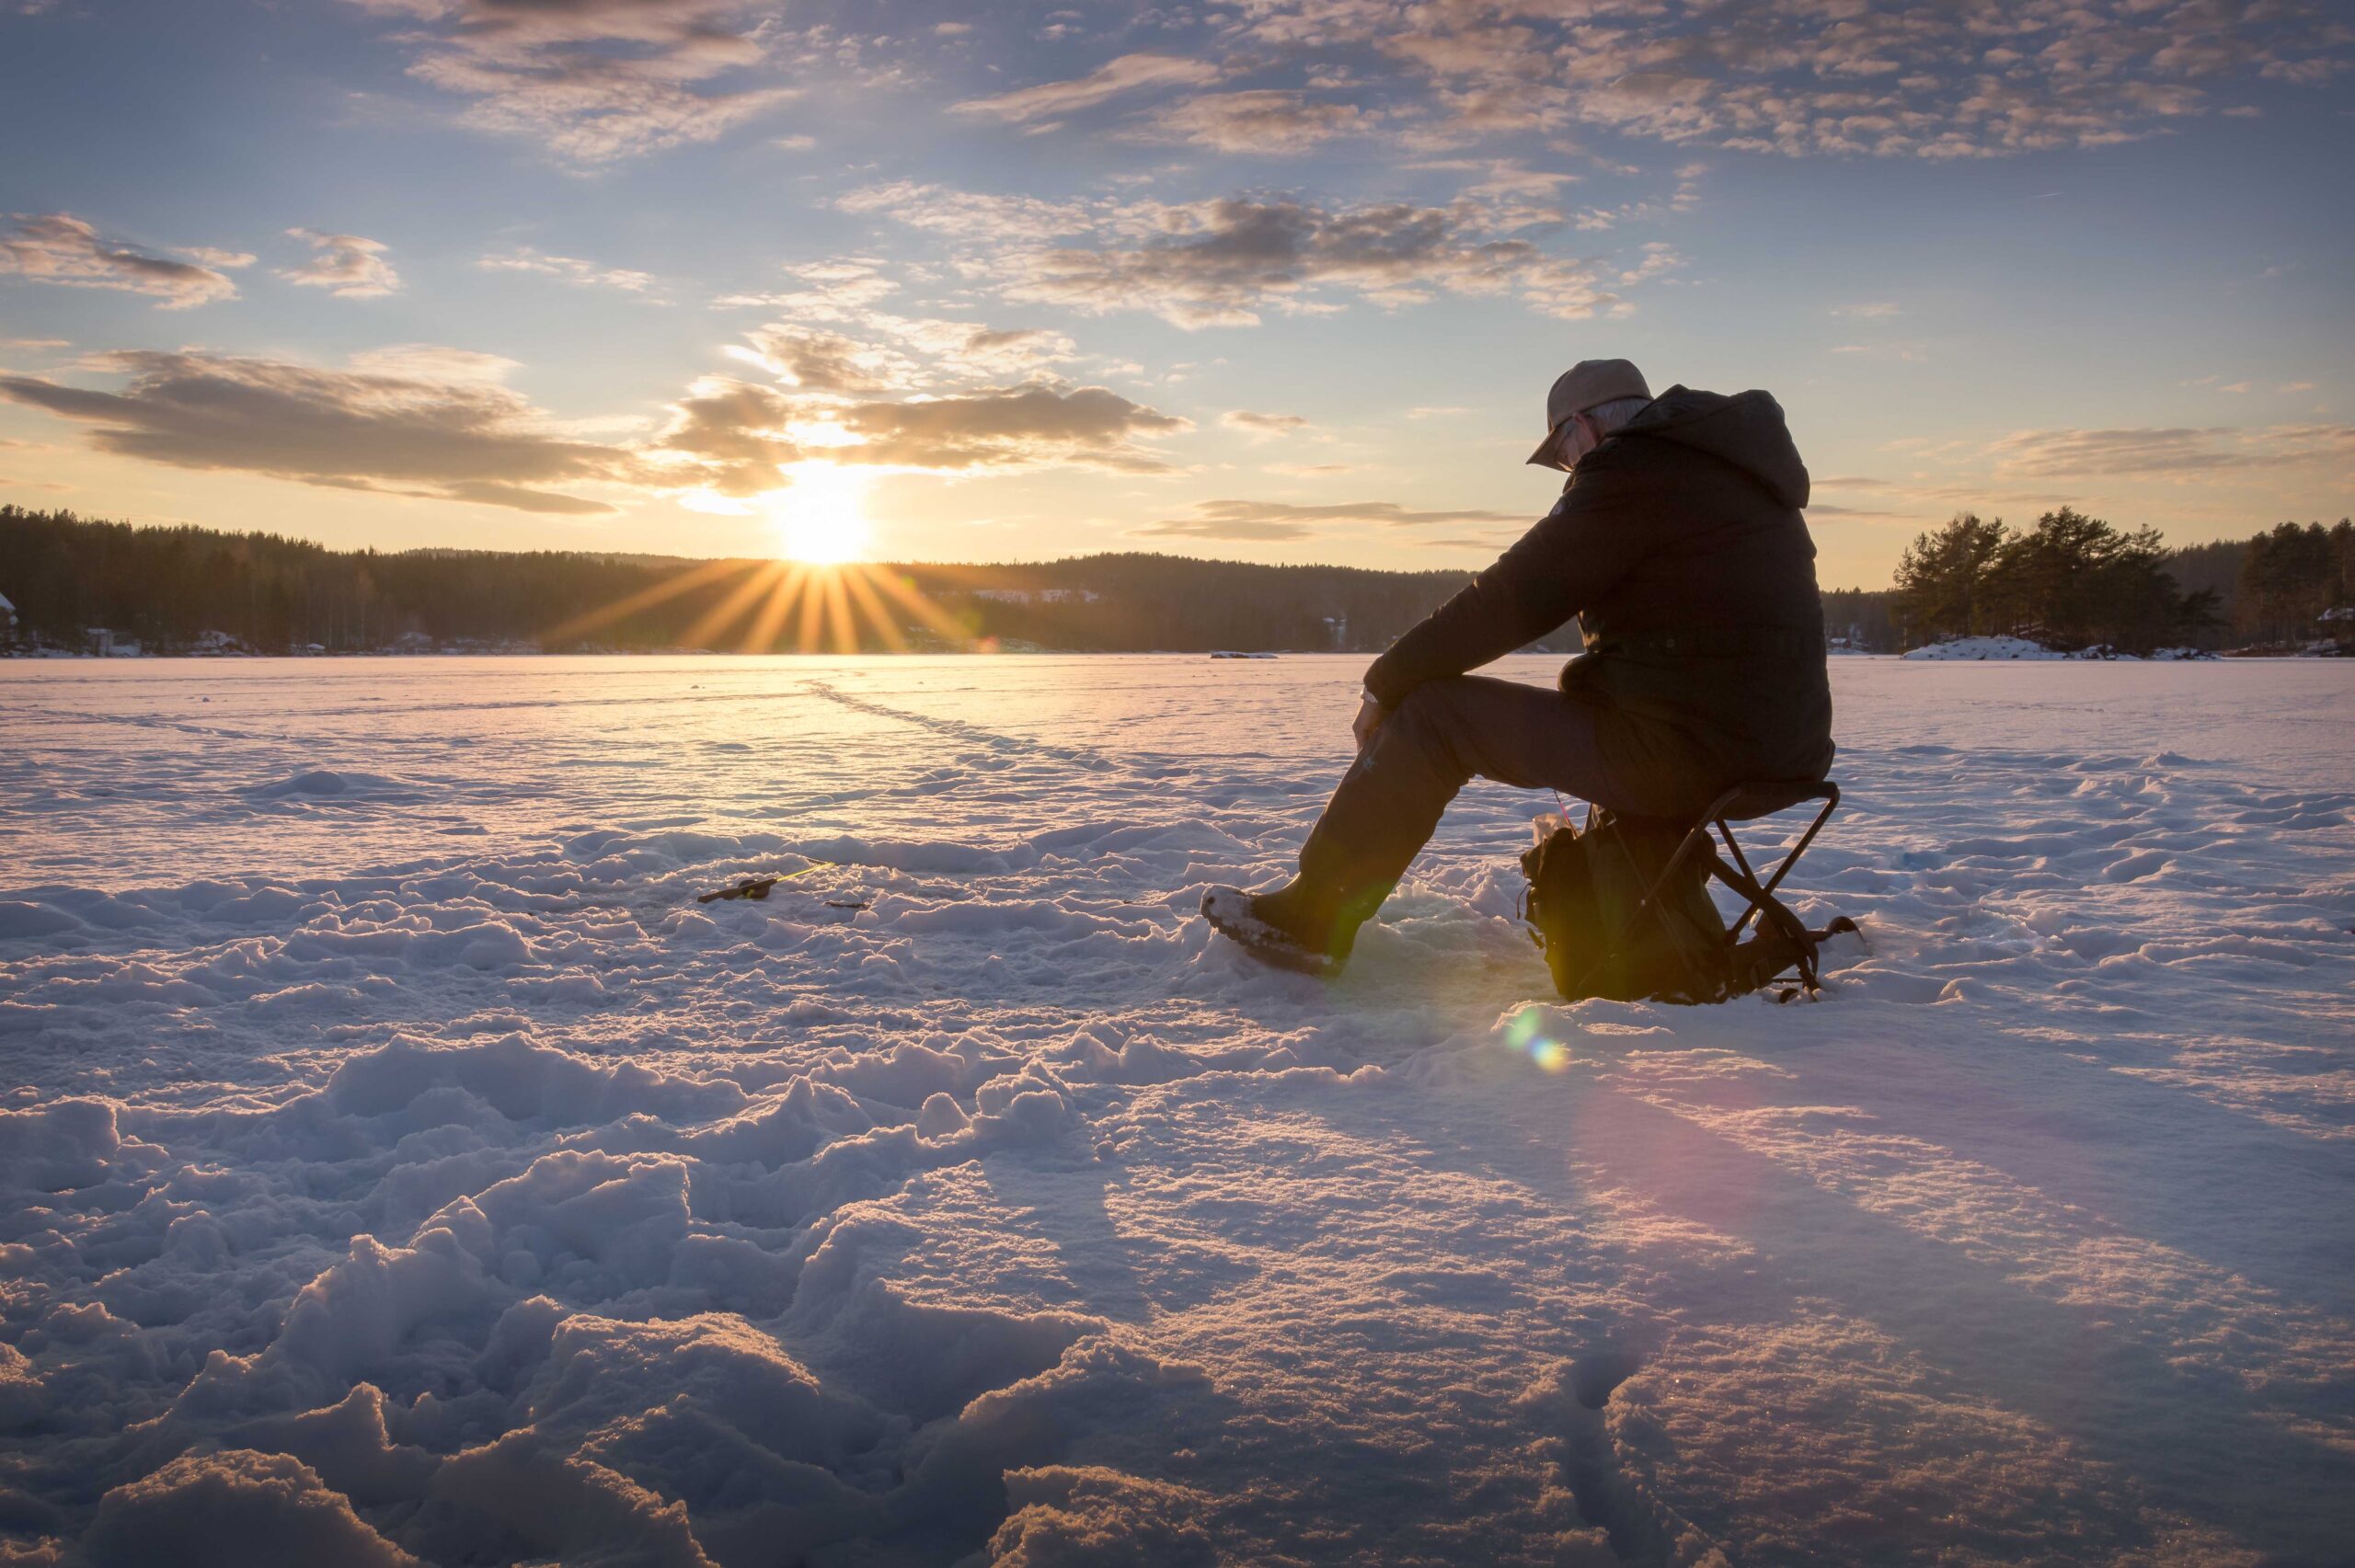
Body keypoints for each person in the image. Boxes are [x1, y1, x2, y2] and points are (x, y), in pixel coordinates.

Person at [1201, 358, 1834, 973]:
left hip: (1690, 752)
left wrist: (1386, 683)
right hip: (1783, 752)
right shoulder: (1733, 475)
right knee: (1591, 725)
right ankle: (1645, 940)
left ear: (1581, 428)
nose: (1566, 468)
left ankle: (1312, 919)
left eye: (1562, 453)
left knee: (1437, 716)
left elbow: (1508, 599)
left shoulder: (1633, 471)